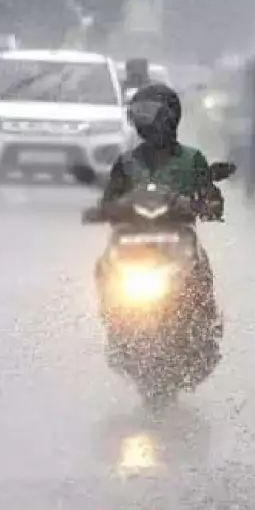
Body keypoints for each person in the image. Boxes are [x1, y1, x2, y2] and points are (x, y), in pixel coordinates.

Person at [98, 83, 223, 350]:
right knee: (104, 268)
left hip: (179, 239)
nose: (143, 120)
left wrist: (202, 205)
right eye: (138, 113)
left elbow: (212, 199)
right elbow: (109, 202)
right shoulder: (126, 162)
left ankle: (205, 328)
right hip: (134, 240)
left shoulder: (192, 159)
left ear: (168, 116)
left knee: (200, 273)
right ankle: (114, 324)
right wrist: (117, 207)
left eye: (148, 113)